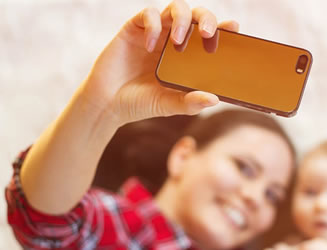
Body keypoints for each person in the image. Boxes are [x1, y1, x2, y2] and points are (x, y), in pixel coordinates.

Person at [5, 1, 297, 249]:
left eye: (273, 196)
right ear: (182, 157)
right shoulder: (122, 227)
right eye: (244, 167)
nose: (256, 197)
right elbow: (45, 221)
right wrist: (102, 106)